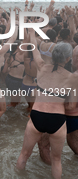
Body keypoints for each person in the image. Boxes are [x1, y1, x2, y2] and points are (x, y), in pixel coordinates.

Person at [16, 29, 78, 179]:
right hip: (57, 119)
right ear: (68, 59)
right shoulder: (72, 77)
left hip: (37, 115)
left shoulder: (42, 67)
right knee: (56, 160)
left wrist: (31, 33)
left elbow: (34, 49)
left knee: (24, 154)